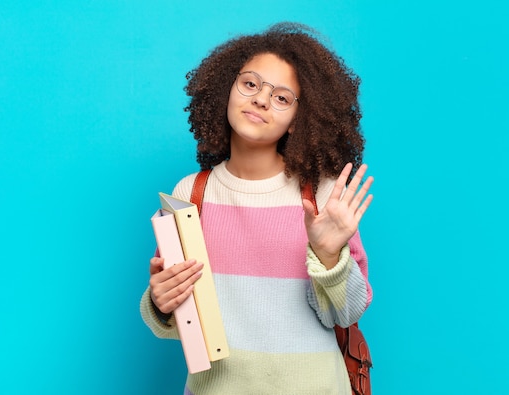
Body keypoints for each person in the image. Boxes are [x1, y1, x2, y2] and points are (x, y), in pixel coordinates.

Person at [140, 22, 374, 395]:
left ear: (299, 120)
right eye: (251, 84)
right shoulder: (190, 193)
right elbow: (178, 310)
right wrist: (161, 302)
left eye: (282, 97)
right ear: (226, 90)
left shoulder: (324, 195)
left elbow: (346, 315)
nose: (262, 99)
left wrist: (328, 257)